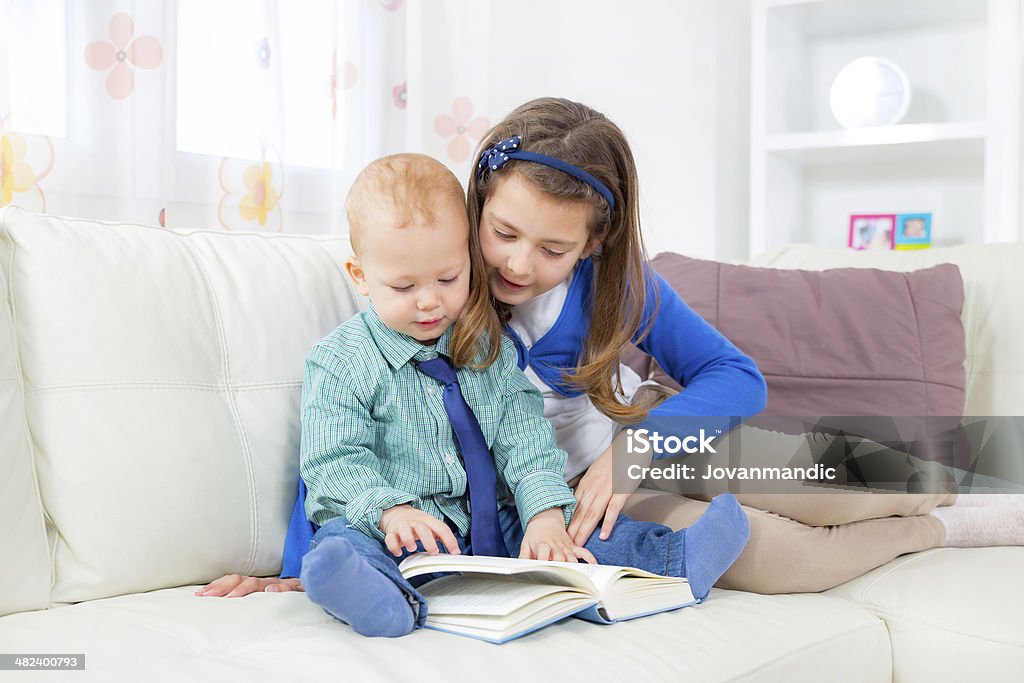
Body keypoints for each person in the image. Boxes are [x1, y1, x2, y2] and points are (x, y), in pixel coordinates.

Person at [197, 152, 750, 636]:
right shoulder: (344, 360)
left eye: (447, 279)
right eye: (504, 235)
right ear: (360, 276)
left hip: (550, 489)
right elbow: (332, 460)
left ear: (592, 244)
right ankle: (379, 602)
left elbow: (525, 438)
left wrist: (545, 513)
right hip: (403, 521)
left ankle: (675, 560)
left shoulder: (490, 342)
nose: (430, 302)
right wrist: (387, 513)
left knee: (823, 471)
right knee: (351, 546)